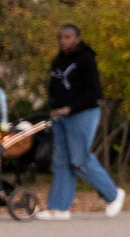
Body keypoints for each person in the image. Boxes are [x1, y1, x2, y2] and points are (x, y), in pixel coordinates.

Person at [36, 23, 121, 220]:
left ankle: (113, 195)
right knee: (61, 162)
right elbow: (54, 89)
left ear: (77, 38)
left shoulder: (86, 60)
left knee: (80, 160)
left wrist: (70, 108)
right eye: (60, 37)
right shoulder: (58, 61)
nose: (63, 41)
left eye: (67, 37)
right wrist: (54, 107)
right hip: (60, 117)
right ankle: (59, 208)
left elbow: (94, 93)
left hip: (82, 114)